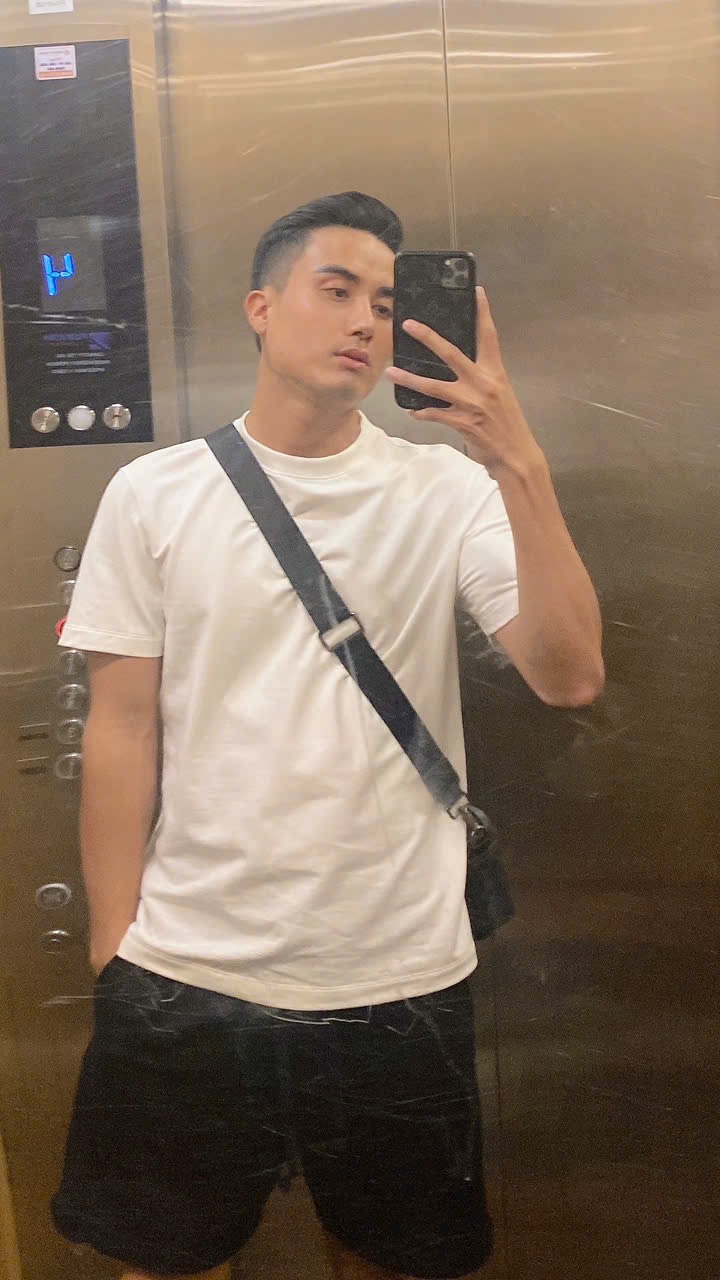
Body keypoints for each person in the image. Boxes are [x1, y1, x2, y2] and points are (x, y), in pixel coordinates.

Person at [50, 191, 604, 1280]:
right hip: (189, 967)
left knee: (392, 1259)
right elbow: (121, 726)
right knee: (162, 1260)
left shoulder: (447, 488)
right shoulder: (154, 493)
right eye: (336, 289)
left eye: (387, 304)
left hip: (400, 971)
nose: (364, 321)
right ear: (261, 307)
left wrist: (519, 464)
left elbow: (569, 673)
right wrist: (115, 947)